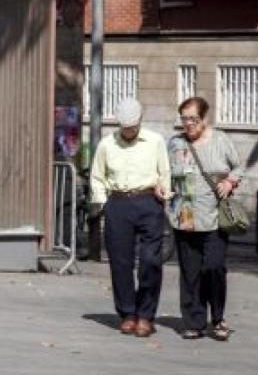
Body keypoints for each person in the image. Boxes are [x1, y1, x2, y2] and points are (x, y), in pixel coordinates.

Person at [89, 98, 171, 338]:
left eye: (133, 127)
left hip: (148, 201)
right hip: (119, 203)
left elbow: (164, 172)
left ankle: (146, 315)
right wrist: (103, 203)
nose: (129, 132)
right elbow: (97, 176)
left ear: (140, 121)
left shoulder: (155, 141)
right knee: (120, 262)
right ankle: (127, 313)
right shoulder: (107, 144)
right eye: (125, 128)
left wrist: (163, 194)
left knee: (150, 260)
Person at [167, 96, 243, 341]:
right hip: (185, 218)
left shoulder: (220, 140)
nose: (188, 124)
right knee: (190, 273)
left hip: (213, 218)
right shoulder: (175, 144)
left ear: (204, 118)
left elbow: (239, 167)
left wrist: (230, 181)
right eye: (184, 119)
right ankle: (194, 322)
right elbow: (165, 173)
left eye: (193, 119)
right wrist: (162, 188)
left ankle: (218, 318)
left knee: (213, 267)